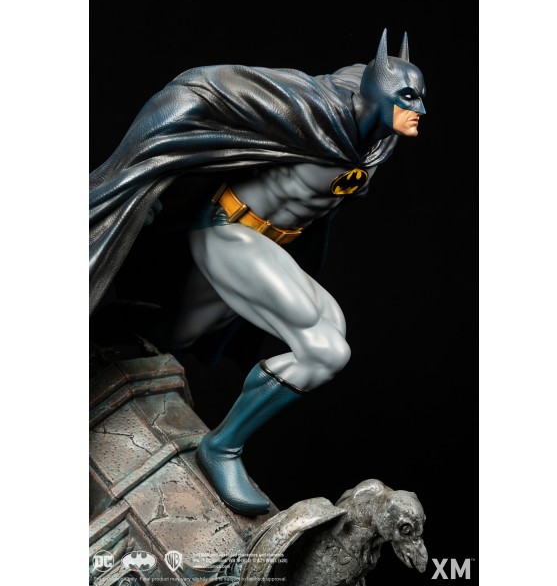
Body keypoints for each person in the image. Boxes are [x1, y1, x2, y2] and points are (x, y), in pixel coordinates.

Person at [89, 29, 426, 516]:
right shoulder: (310, 110)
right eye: (408, 97)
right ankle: (222, 447)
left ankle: (99, 338)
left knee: (178, 333)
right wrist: (147, 173)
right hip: (227, 229)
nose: (421, 109)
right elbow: (199, 90)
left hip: (266, 246)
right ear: (375, 94)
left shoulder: (380, 143)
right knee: (324, 350)